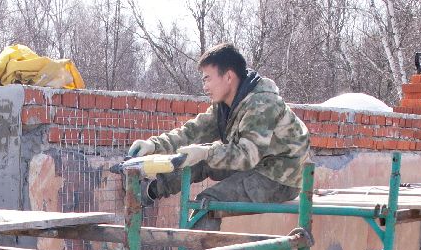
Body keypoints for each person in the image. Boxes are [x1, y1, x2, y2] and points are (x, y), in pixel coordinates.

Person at [128, 42, 310, 229]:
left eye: (207, 79)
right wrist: (154, 145)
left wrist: (206, 153)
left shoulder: (262, 104)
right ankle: (149, 191)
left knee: (207, 202)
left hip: (281, 176)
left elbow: (248, 155)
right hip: (257, 162)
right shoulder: (225, 106)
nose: (205, 86)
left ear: (228, 76)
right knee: (196, 159)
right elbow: (192, 132)